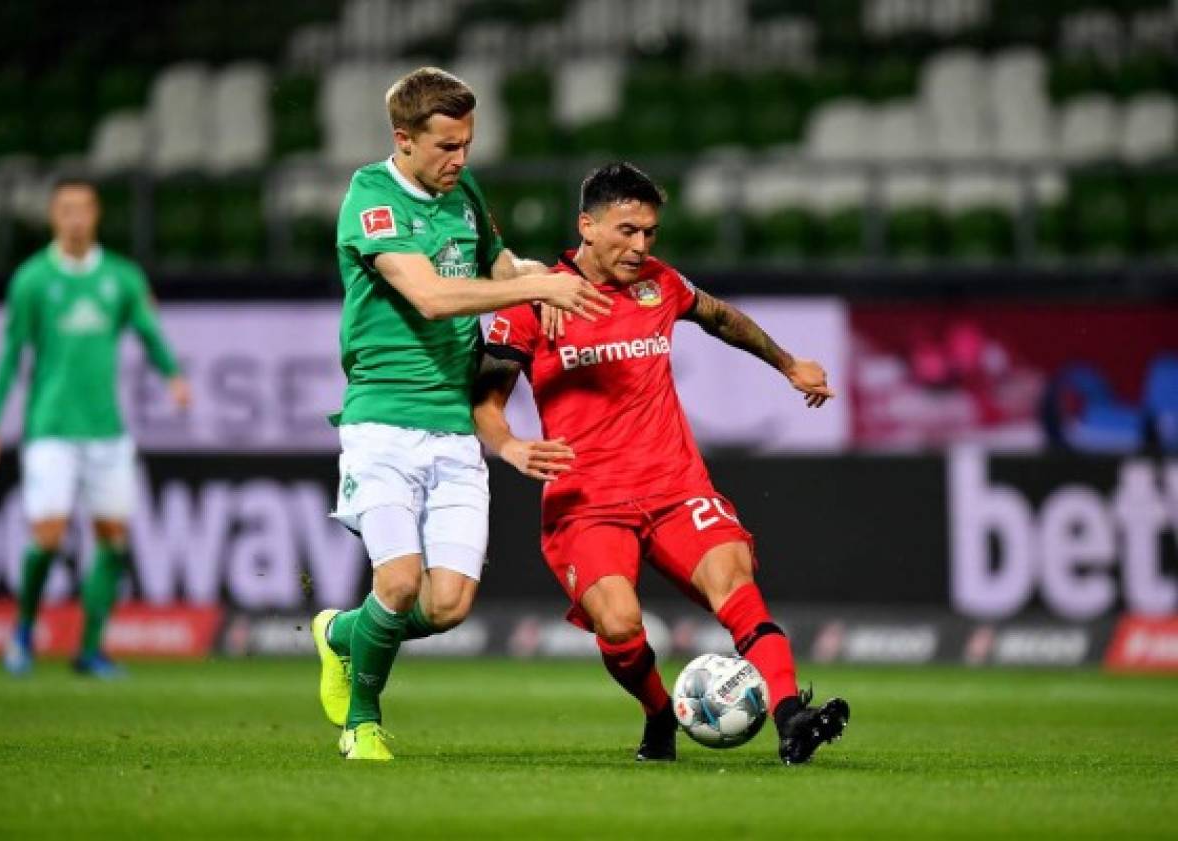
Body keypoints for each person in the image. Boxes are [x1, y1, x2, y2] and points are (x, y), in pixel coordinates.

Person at [473, 162, 850, 765]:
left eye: (650, 232)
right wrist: (509, 444)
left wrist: (788, 364)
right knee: (620, 624)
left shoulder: (659, 283)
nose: (640, 245)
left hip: (674, 486)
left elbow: (720, 316)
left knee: (737, 588)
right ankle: (658, 715)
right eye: (627, 230)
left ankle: (790, 716)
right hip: (587, 501)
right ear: (587, 227)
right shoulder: (532, 303)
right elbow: (485, 401)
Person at [310, 67, 612, 761]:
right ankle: (362, 723)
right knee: (399, 580)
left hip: (453, 424)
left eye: (467, 144)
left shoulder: (463, 189)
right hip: (381, 422)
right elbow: (432, 296)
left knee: (447, 605)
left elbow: (498, 262)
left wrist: (539, 282)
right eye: (446, 146)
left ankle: (339, 634)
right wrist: (536, 287)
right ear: (404, 139)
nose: (459, 159)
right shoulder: (370, 197)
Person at [0, 177, 190, 678]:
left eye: (83, 209)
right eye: (65, 209)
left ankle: (90, 648)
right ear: (54, 216)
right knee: (48, 534)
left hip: (106, 430)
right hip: (50, 427)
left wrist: (173, 375)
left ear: (95, 215)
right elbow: (10, 355)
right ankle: (25, 630)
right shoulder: (32, 279)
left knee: (113, 537)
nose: (74, 218)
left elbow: (147, 330)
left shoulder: (121, 277)